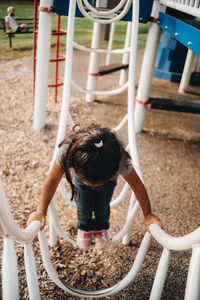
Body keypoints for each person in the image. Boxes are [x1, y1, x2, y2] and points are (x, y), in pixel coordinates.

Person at [27, 123, 163, 250]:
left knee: (103, 206)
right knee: (83, 206)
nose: (93, 186)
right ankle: (85, 228)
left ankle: (101, 228)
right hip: (82, 179)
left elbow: (137, 186)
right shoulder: (68, 150)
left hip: (108, 182)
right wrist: (41, 210)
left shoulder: (120, 158)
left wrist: (148, 214)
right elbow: (52, 180)